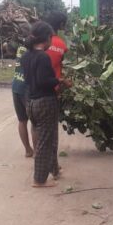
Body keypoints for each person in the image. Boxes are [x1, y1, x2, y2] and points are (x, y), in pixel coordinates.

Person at [21, 21, 71, 187]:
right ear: (48, 38)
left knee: (49, 138)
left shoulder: (26, 55)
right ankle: (39, 180)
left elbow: (31, 80)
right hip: (45, 102)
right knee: (44, 143)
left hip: (31, 101)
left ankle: (55, 170)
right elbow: (45, 81)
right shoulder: (42, 56)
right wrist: (60, 80)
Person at [11, 42, 33, 157]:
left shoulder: (20, 47)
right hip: (26, 88)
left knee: (22, 120)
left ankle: (28, 150)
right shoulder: (33, 49)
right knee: (36, 122)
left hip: (16, 85)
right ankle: (39, 152)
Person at [44, 11, 69, 81]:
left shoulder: (38, 40)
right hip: (52, 87)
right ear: (61, 25)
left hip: (33, 87)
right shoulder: (62, 44)